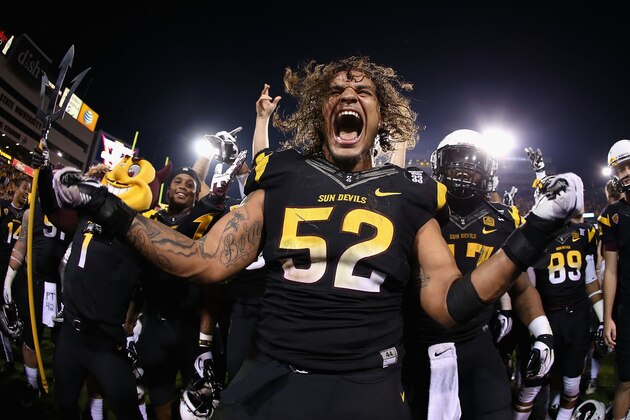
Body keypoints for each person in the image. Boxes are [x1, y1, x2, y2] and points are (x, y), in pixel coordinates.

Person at [49, 56, 583, 420]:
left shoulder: (408, 189)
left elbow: (447, 304)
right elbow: (201, 261)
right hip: (273, 376)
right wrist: (105, 205)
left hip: (367, 386)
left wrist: (535, 229)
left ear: (382, 117)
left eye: (363, 90)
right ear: (318, 111)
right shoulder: (283, 173)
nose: (348, 94)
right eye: (335, 90)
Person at [402, 129, 552, 419]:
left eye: (472, 164)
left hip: (477, 343)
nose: (463, 170)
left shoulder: (503, 219)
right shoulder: (418, 211)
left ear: (488, 172)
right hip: (419, 345)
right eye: (455, 162)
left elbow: (521, 287)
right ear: (438, 166)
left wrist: (542, 332)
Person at [599, 139, 630, 420]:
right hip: (627, 306)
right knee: (625, 380)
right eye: (621, 168)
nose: (627, 171)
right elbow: (609, 269)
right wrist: (607, 316)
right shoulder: (612, 214)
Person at [0, 176, 31, 379]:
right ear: (15, 189)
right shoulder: (3, 208)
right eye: (24, 188)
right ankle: (10, 359)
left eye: (29, 189)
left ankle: (24, 354)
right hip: (2, 264)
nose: (27, 192)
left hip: (17, 271)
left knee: (17, 317)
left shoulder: (30, 215)